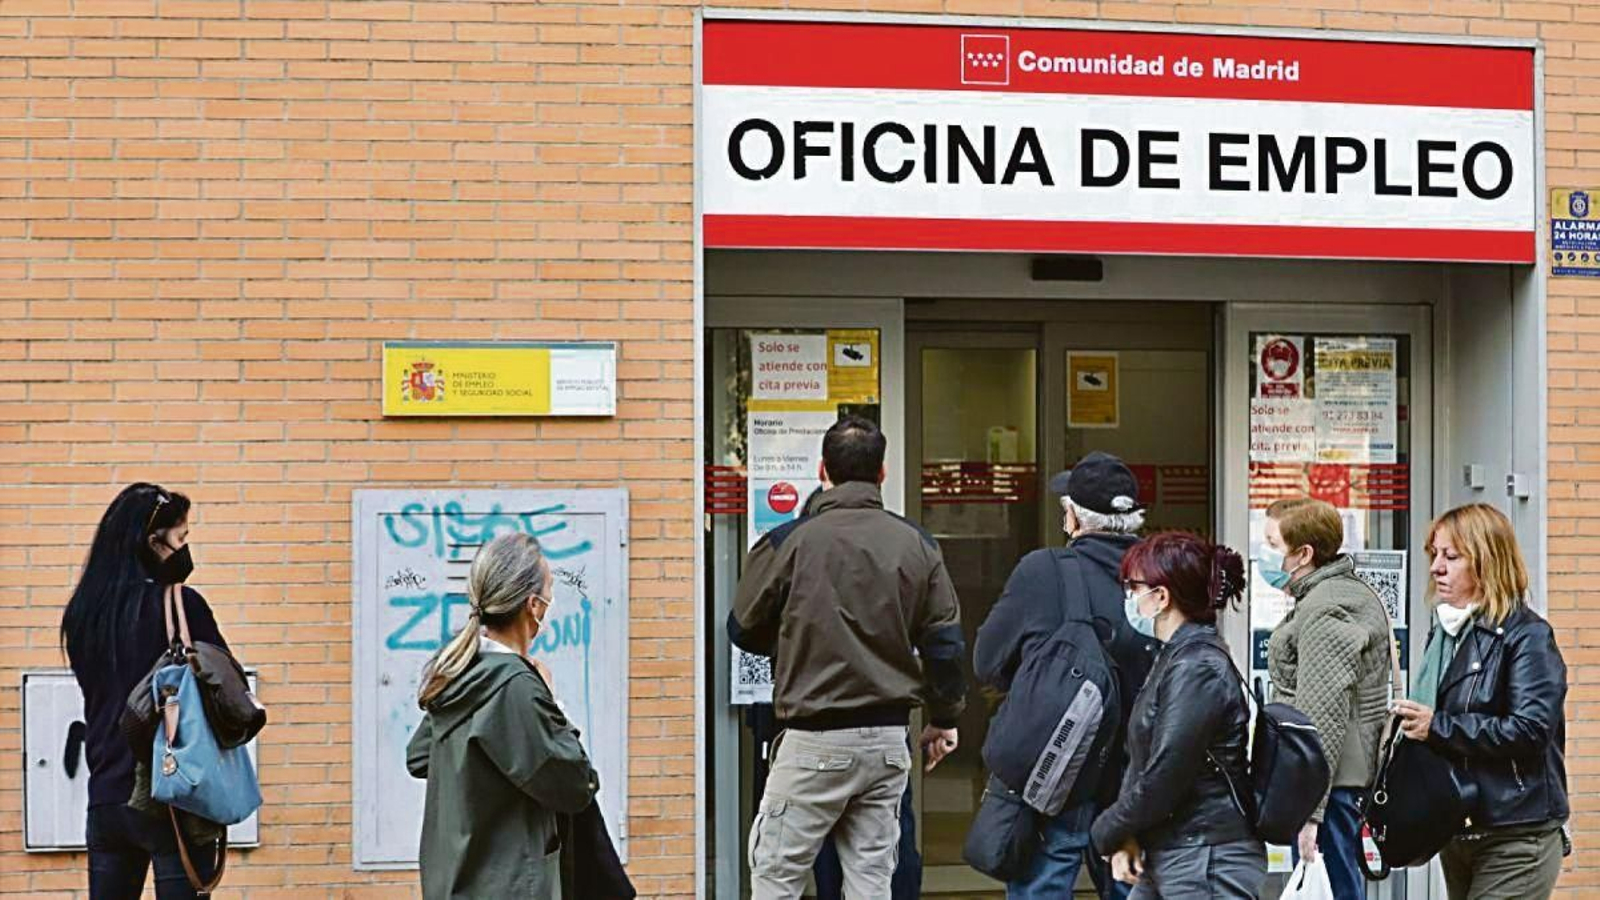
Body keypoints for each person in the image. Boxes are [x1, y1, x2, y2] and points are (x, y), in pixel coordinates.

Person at [729, 415, 967, 899]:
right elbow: (945, 645)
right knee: (871, 881)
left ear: (823, 470)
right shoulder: (918, 544)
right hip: (885, 741)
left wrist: (792, 642)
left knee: (776, 875)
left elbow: (743, 628)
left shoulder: (787, 542)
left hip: (813, 739)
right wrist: (944, 717)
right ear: (882, 474)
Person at [974, 451, 1157, 900]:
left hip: (1054, 772)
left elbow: (987, 661)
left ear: (1074, 518)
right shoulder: (1161, 575)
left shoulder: (1043, 570)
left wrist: (1042, 677)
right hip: (1133, 780)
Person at [406, 532, 599, 900]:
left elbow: (418, 756)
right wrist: (553, 704)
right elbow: (575, 783)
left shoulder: (463, 671)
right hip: (508, 885)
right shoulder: (516, 686)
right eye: (550, 589)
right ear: (534, 605)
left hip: (453, 880)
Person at [1392, 503, 1568, 900]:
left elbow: (1531, 729)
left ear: (1487, 561)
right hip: (1459, 827)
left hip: (1516, 834)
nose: (1437, 567)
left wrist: (1437, 726)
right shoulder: (1445, 634)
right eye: (1434, 554)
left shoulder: (1527, 637)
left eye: (1452, 557)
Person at [62, 484, 227, 899]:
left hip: (106, 799)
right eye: (182, 538)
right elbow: (229, 695)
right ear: (154, 542)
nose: (186, 548)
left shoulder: (84, 614)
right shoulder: (181, 605)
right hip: (170, 796)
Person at [1090, 532, 1264, 900]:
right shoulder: (1176, 656)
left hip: (1205, 856)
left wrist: (1107, 829)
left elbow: (1168, 770)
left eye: (1133, 586)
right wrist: (1127, 834)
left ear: (1162, 597)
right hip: (1176, 849)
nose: (1129, 597)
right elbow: (1147, 761)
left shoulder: (1198, 666)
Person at [1261, 497, 1393, 899]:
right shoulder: (1330, 594)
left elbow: (1323, 714)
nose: (1262, 554)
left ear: (1303, 554)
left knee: (1333, 887)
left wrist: (1310, 813)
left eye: (1271, 544)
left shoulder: (1327, 607)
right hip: (1334, 784)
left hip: (1332, 787)